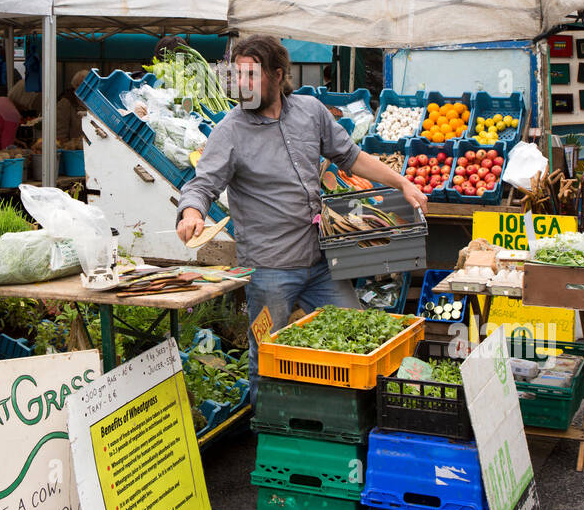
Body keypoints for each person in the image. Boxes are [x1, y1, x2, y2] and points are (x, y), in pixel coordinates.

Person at [176, 35, 427, 410]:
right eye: (237, 75)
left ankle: (347, 419)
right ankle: (267, 426)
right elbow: (203, 183)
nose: (241, 85)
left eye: (251, 76)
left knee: (353, 332)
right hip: (269, 269)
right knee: (268, 351)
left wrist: (402, 182)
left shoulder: (310, 111)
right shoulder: (231, 129)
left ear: (278, 75)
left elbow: (351, 157)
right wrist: (191, 212)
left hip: (321, 264)